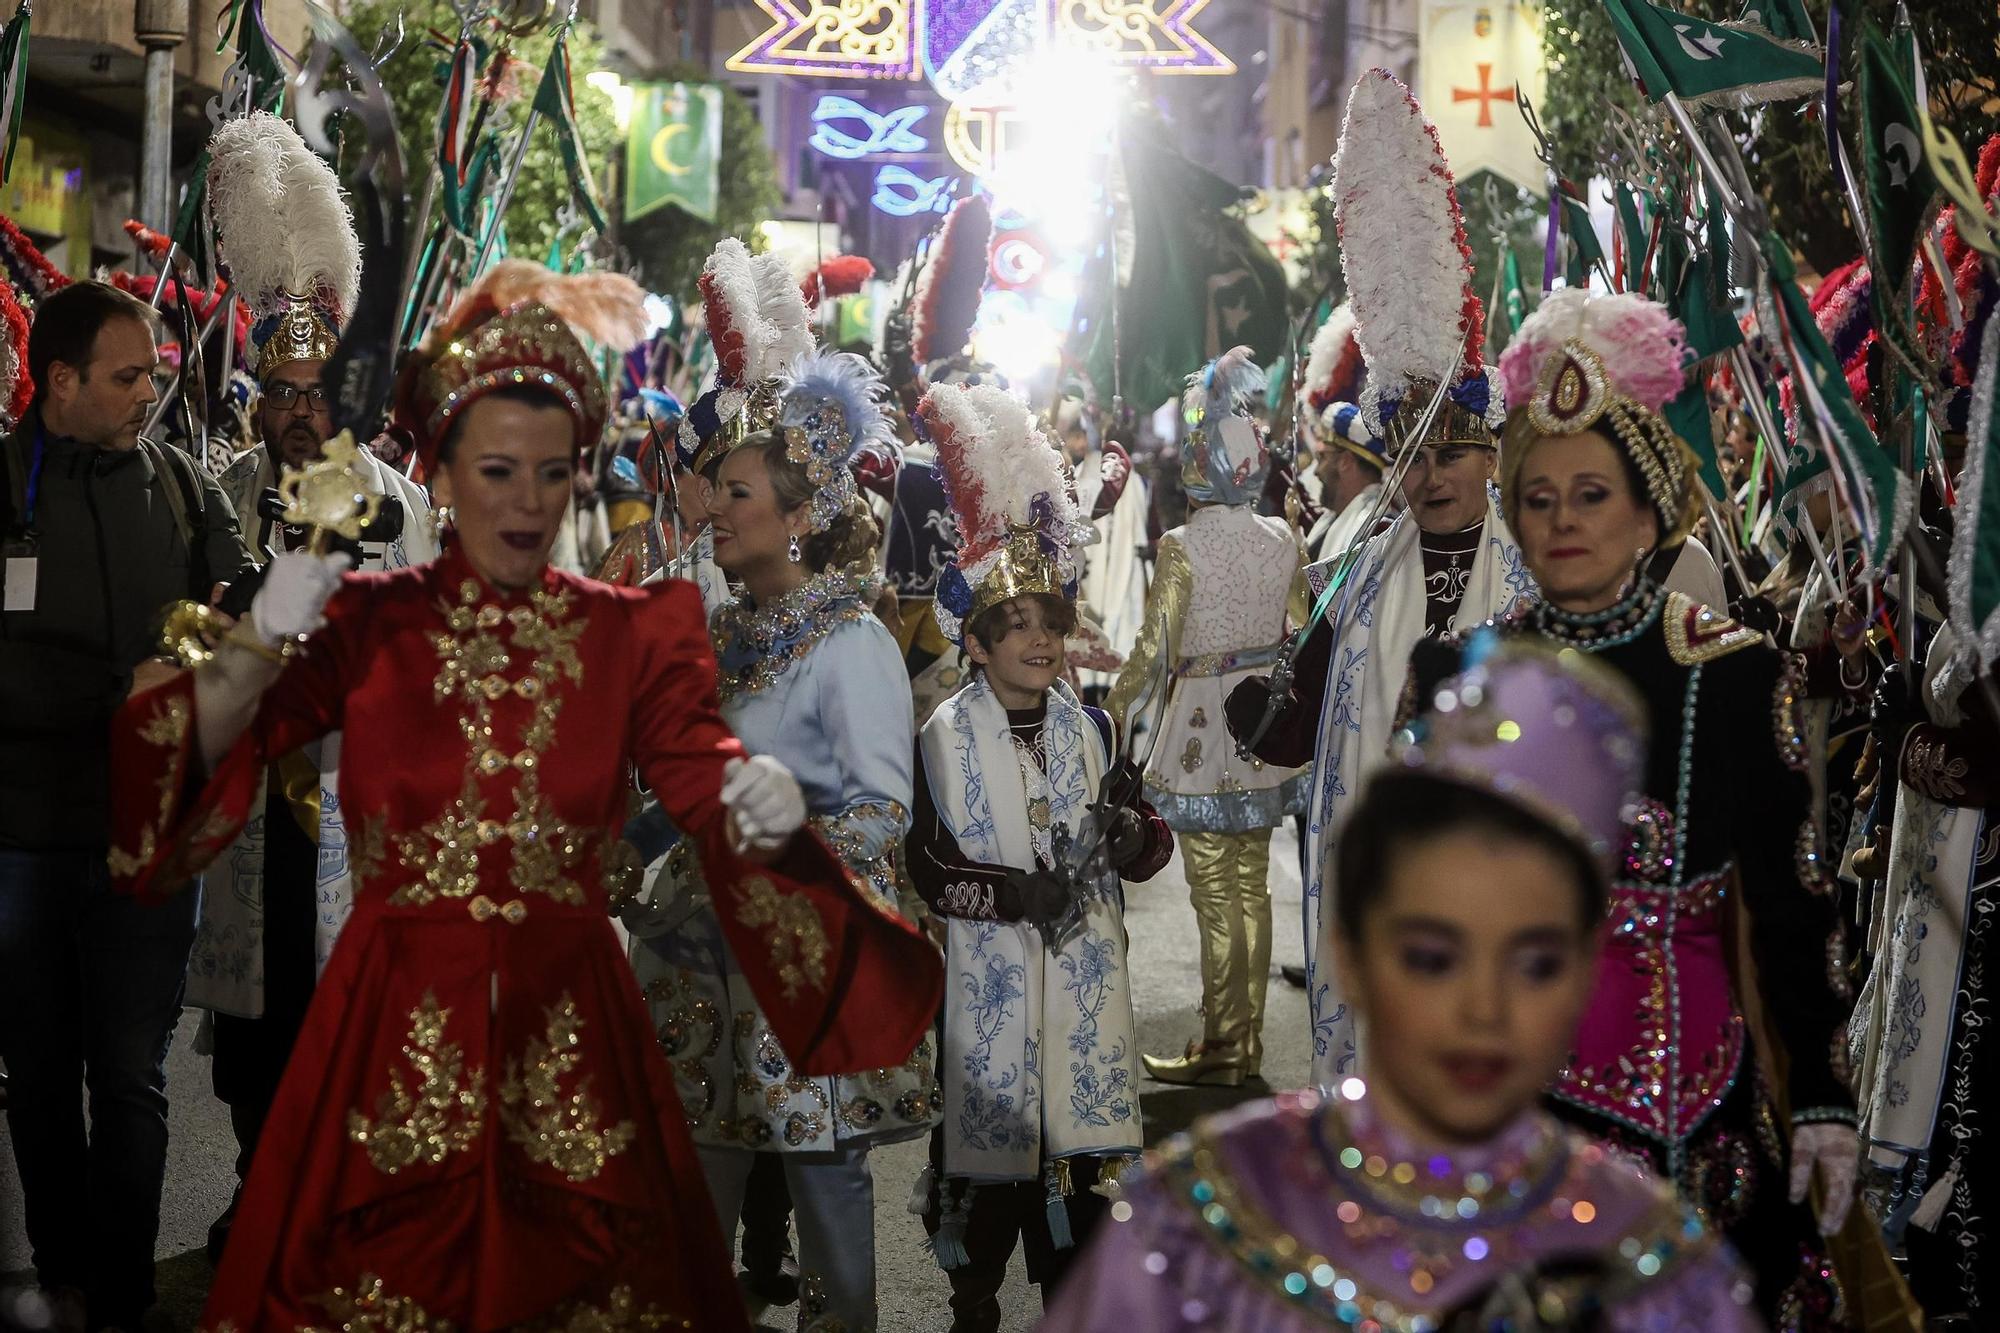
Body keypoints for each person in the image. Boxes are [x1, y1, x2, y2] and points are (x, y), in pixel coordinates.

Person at [104, 259, 941, 1328]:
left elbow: (704, 784)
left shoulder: (635, 632)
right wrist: (278, 612)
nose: (527, 500)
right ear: (443, 473)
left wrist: (768, 811)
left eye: (553, 473)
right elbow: (193, 743)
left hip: (571, 1031)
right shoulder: (371, 624)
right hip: (397, 1027)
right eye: (497, 467)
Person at [1044, 642, 1761, 1331]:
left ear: (1585, 972)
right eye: (1431, 958)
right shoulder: (1202, 1219)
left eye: (1535, 963)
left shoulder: (1652, 1259)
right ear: (1349, 955)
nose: (1486, 1011)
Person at [1409, 286, 1865, 1324]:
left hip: (1698, 1118)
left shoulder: (1735, 675)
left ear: (1649, 511)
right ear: (1511, 513)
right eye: (1539, 497)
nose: (1562, 520)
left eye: (1591, 494)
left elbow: (1792, 903)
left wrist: (1826, 1105)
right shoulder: (1459, 675)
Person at [1224, 69, 1529, 1085]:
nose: (1433, 475)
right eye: (1415, 455)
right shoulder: (1356, 562)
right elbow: (1301, 714)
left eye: (1455, 451)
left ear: (1493, 456)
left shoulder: (1534, 583)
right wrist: (1258, 711)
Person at [638, 345, 938, 1330]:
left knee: (824, 1192)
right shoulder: (728, 635)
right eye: (713, 490)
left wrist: (773, 837)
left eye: (736, 491)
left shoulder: (850, 643)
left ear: (801, 518)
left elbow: (882, 811)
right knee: (691, 1190)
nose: (712, 507)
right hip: (700, 961)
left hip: (804, 963)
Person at [195, 112, 440, 1263]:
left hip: (361, 803)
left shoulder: (404, 498)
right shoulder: (223, 490)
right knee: (255, 1024)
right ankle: (259, 1186)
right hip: (252, 803)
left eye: (316, 389)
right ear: (261, 392)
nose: (301, 407)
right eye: (282, 390)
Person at [0, 278, 253, 1330]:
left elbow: (247, 596)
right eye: (125, 376)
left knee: (133, 1073)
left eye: (152, 371)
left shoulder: (188, 487)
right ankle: (62, 1269)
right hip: (22, 839)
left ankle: (126, 1287)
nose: (149, 391)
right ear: (58, 382)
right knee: (43, 1072)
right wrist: (118, 694)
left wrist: (222, 635)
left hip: (152, 842)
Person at [904, 380, 1172, 1330]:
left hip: (1087, 1009)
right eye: (1014, 627)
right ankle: (971, 1298)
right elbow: (927, 867)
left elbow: (1146, 841)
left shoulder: (1094, 728)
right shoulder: (940, 735)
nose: (1038, 642)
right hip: (987, 1004)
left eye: (1051, 625)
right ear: (974, 643)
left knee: (1082, 1230)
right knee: (982, 1208)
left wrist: (1133, 834)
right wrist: (1015, 891)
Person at [1104, 347, 1306, 1087]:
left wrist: (1112, 705)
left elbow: (1154, 650)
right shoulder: (1285, 536)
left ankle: (1226, 1047)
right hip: (1260, 730)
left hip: (1199, 732)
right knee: (1250, 888)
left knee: (1216, 894)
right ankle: (1239, 1042)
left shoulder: (1181, 546)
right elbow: (1303, 626)